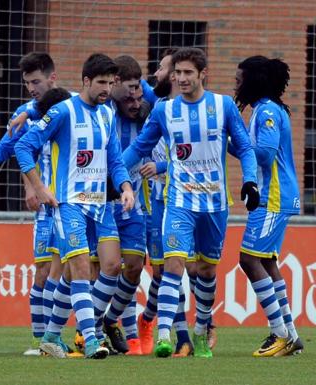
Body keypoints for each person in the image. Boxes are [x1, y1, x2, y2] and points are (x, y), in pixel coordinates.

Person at [122, 47, 260, 358]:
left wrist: (250, 180)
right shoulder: (164, 111)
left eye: (187, 73)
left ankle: (201, 330)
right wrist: (115, 175)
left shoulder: (223, 106)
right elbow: (138, 148)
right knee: (173, 265)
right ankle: (164, 334)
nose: (181, 78)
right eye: (177, 73)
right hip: (178, 201)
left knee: (206, 272)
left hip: (214, 205)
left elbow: (245, 149)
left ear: (202, 75)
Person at [15, 53, 134, 359]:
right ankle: (91, 339)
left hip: (101, 204)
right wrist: (40, 187)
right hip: (69, 204)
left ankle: (52, 335)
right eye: (101, 82)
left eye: (110, 82)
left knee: (109, 266)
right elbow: (23, 146)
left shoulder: (108, 114)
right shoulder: (63, 111)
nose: (107, 88)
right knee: (80, 267)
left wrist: (125, 186)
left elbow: (115, 159)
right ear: (85, 81)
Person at [0, 52, 70, 355]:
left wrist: (34, 111)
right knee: (43, 272)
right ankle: (41, 341)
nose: (31, 88)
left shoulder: (72, 106)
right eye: (27, 83)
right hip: (48, 208)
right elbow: (4, 150)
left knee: (78, 271)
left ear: (52, 78)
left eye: (36, 81)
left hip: (75, 202)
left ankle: (75, 335)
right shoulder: (23, 111)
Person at [136, 47, 210, 357]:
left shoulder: (196, 108)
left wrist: (163, 167)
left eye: (164, 69)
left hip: (191, 197)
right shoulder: (160, 107)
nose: (162, 73)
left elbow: (188, 154)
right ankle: (177, 333)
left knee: (190, 266)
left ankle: (184, 325)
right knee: (167, 268)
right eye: (171, 70)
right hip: (158, 200)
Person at [233, 55, 303, 357]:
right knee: (268, 262)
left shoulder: (267, 112)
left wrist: (233, 141)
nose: (237, 84)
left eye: (240, 79)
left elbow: (265, 153)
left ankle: (279, 333)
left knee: (249, 260)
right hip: (276, 196)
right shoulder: (265, 108)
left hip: (273, 196)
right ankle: (292, 335)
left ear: (254, 81)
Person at [99, 55, 149, 356]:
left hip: (134, 206)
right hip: (101, 204)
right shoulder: (100, 111)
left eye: (139, 90)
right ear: (115, 83)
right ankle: (83, 333)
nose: (135, 96)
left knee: (134, 267)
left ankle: (110, 319)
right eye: (130, 89)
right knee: (102, 268)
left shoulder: (146, 112)